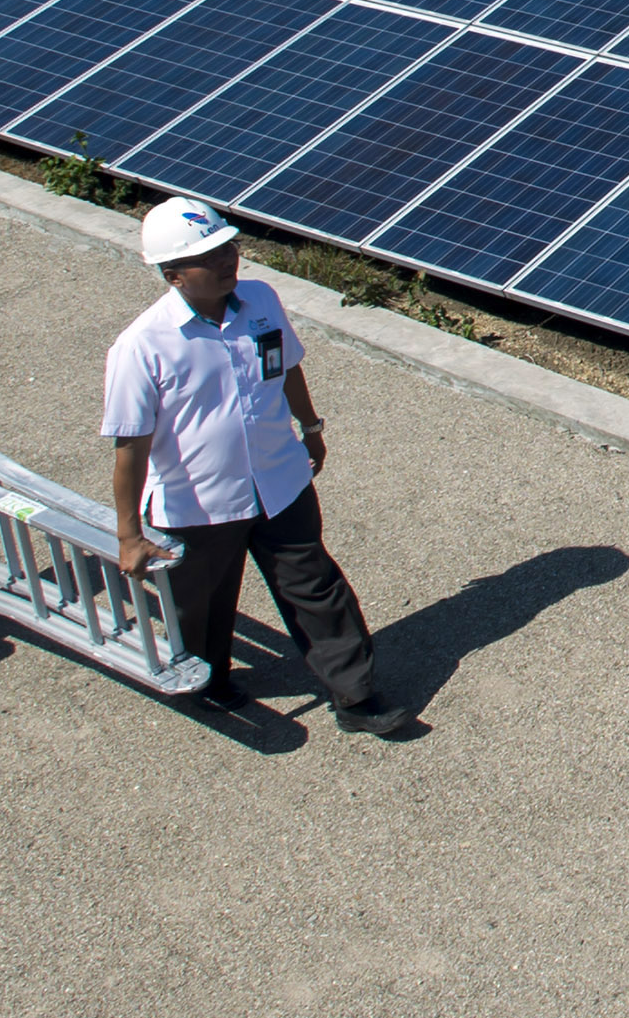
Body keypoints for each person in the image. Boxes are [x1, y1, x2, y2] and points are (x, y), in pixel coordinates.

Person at [104, 197, 406, 733]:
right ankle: (208, 679)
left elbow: (285, 366)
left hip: (280, 481)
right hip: (199, 504)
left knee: (315, 586)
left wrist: (309, 429)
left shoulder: (261, 301)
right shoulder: (142, 346)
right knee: (202, 604)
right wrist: (129, 534)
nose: (227, 260)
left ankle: (356, 696)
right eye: (208, 255)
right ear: (172, 274)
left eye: (228, 247)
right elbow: (131, 447)